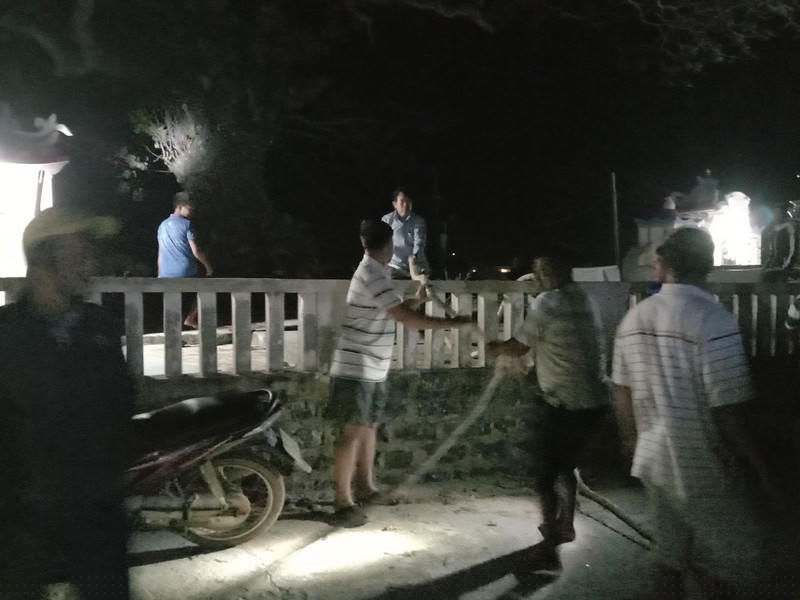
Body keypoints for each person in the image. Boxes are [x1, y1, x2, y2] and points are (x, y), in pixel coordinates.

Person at [613, 227, 780, 599]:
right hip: (701, 463)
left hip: (654, 461)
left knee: (670, 556)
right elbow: (728, 408)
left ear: (665, 264)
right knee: (737, 562)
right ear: (708, 265)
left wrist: (630, 441)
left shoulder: (634, 319)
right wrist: (755, 465)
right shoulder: (712, 319)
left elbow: (622, 392)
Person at [0, 207, 133, 599]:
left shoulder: (99, 326)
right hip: (22, 518)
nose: (92, 264)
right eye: (80, 253)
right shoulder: (7, 334)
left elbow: (120, 405)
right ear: (44, 262)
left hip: (96, 513)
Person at [326, 219, 473, 527]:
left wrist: (415, 301)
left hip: (372, 366)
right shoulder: (372, 273)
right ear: (390, 245)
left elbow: (391, 310)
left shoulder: (376, 272)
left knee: (368, 427)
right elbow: (405, 319)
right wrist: (453, 323)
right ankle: (342, 501)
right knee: (353, 432)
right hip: (357, 367)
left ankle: (366, 488)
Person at [487, 247, 610, 571]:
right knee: (565, 466)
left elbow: (518, 346)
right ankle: (565, 525)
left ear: (558, 272)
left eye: (543, 272)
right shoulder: (585, 299)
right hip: (595, 404)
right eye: (538, 272)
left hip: (565, 404)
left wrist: (493, 347)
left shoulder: (548, 302)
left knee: (545, 476)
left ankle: (549, 550)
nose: (540, 278)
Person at [157, 191, 213, 327]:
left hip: (166, 273)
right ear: (180, 206)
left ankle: (172, 326)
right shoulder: (187, 224)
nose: (192, 211)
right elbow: (196, 250)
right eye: (190, 208)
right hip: (185, 271)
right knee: (206, 289)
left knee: (173, 301)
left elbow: (161, 252)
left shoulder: (162, 225)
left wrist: (160, 273)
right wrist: (208, 267)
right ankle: (191, 317)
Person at [381, 188, 429, 278]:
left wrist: (413, 261)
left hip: (416, 264)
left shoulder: (418, 221)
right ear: (395, 204)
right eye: (402, 201)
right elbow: (383, 243)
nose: (406, 205)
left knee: (424, 279)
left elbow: (419, 243)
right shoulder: (387, 220)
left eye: (408, 201)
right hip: (394, 266)